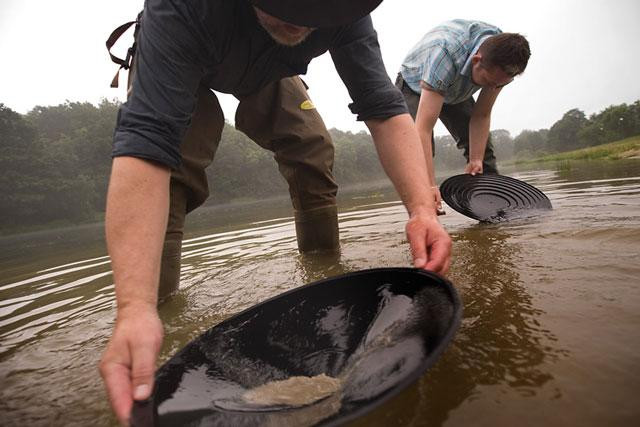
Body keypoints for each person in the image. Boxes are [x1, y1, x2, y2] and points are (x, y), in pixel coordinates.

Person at [99, 0, 452, 424]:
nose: (300, 20)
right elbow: (147, 142)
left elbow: (382, 106)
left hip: (268, 71)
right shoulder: (179, 10)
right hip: (190, 61)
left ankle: (323, 269)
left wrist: (421, 210)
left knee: (311, 147)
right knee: (177, 164)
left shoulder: (345, 11)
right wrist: (133, 307)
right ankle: (154, 312)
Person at [395, 19, 530, 210]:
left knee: (484, 154)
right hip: (415, 84)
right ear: (477, 61)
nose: (492, 88)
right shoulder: (445, 55)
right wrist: (430, 185)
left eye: (499, 85)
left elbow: (481, 115)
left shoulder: (504, 59)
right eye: (488, 81)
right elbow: (422, 130)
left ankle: (495, 214)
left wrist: (476, 159)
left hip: (457, 89)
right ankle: (424, 215)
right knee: (417, 156)